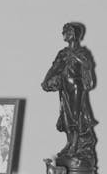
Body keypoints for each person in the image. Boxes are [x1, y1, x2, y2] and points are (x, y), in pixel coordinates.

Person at [41, 22, 97, 162]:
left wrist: (75, 57)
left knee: (76, 115)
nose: (65, 34)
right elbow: (54, 68)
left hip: (77, 86)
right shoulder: (63, 53)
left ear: (76, 35)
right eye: (64, 31)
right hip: (64, 87)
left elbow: (87, 65)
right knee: (65, 115)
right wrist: (46, 80)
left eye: (68, 31)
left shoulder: (82, 52)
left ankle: (75, 145)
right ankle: (69, 142)